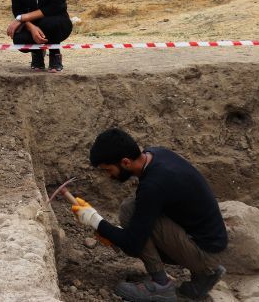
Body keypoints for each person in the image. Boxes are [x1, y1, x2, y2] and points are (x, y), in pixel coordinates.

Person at [72, 128, 228, 301]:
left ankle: (161, 285)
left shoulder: (154, 185)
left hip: (204, 254)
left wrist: (95, 221)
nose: (109, 176)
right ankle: (205, 276)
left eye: (109, 170)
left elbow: (134, 245)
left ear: (125, 162)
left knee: (129, 212)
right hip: (211, 244)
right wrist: (114, 232)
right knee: (132, 207)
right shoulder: (156, 154)